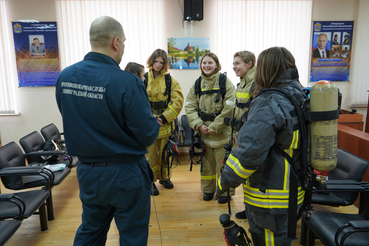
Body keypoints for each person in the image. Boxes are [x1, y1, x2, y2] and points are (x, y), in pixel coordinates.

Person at [55, 16, 159, 246]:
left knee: (91, 230)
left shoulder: (65, 77)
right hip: (126, 173)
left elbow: (72, 117)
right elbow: (148, 134)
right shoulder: (127, 82)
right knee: (132, 235)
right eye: (123, 41)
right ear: (116, 42)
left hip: (88, 173)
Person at [215, 47, 306, 245]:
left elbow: (249, 151)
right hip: (293, 189)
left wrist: (225, 181)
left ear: (265, 69)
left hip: (269, 196)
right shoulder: (298, 95)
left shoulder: (269, 102)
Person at [185, 52, 236, 204]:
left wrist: (215, 126)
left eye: (210, 63)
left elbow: (230, 107)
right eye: (204, 63)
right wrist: (198, 125)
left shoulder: (225, 82)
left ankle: (225, 192)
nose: (206, 65)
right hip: (204, 134)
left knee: (223, 166)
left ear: (216, 65)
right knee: (206, 167)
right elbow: (190, 107)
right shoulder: (197, 84)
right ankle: (208, 190)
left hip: (221, 133)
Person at [145, 48, 184, 196]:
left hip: (165, 125)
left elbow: (178, 101)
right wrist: (149, 118)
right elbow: (139, 101)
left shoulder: (170, 81)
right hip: (148, 125)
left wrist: (164, 118)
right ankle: (150, 181)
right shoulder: (143, 79)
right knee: (149, 155)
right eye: (156, 61)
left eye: (161, 62)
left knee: (165, 154)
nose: (158, 65)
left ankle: (165, 178)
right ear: (152, 61)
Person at [231, 50, 256, 219]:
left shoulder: (256, 83)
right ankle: (249, 209)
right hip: (242, 135)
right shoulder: (242, 83)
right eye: (233, 64)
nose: (234, 67)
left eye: (237, 63)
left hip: (251, 138)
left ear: (249, 64)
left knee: (253, 175)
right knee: (247, 176)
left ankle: (253, 210)